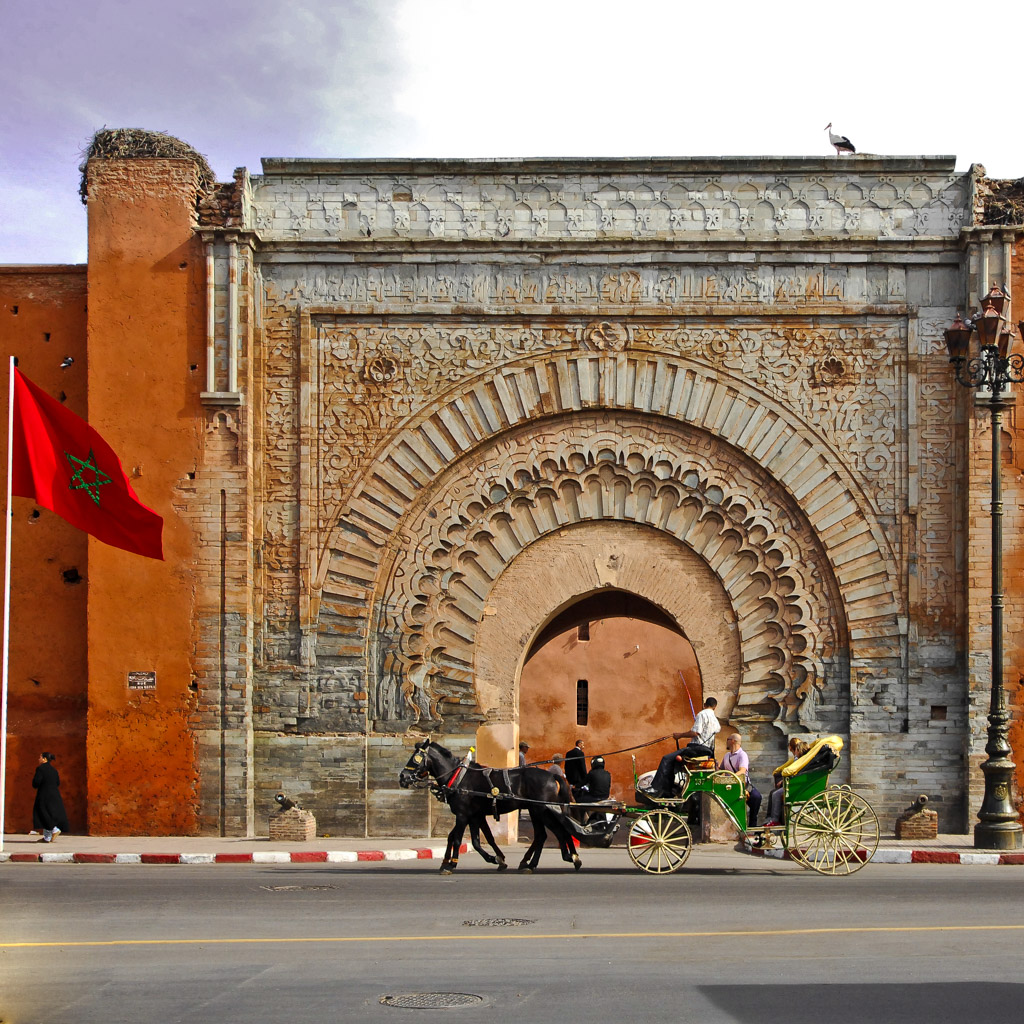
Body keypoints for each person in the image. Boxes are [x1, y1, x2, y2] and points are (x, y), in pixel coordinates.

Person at [650, 696, 721, 797]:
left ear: (704, 705)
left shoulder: (702, 714)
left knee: (666, 759)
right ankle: (670, 790)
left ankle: (657, 788)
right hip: (708, 750)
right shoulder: (716, 721)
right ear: (715, 707)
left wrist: (680, 735)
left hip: (697, 748)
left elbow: (696, 732)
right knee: (674, 761)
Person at [764, 737, 809, 826]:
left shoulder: (800, 761)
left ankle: (775, 819)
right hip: (794, 783)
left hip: (796, 785)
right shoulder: (801, 760)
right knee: (774, 793)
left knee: (776, 794)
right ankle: (771, 818)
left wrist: (784, 781)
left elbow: (796, 774)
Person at [720, 733, 761, 827]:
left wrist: (731, 777)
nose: (726, 742)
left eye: (728, 739)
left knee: (757, 798)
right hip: (730, 786)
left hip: (742, 785)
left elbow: (742, 770)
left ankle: (752, 827)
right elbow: (721, 769)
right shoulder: (727, 755)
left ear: (733, 741)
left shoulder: (742, 755)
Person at [32, 752, 69, 843]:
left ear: (44, 759)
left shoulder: (40, 769)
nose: (38, 759)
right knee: (49, 814)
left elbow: (36, 782)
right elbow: (57, 783)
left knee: (43, 813)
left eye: (40, 757)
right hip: (54, 795)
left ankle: (54, 829)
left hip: (44, 794)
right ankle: (47, 837)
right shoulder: (54, 770)